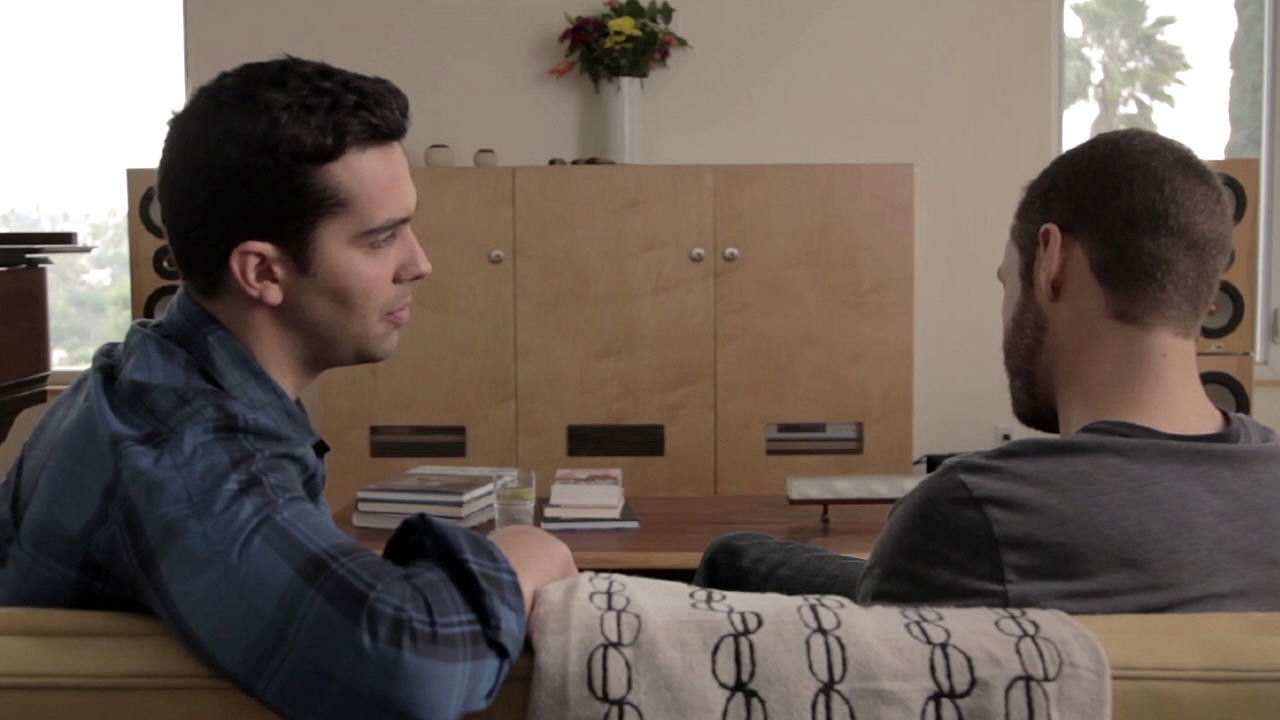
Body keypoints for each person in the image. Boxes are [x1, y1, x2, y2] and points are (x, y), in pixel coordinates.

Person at [0, 57, 577, 719]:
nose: (419, 263)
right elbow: (414, 668)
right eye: (381, 238)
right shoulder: (183, 451)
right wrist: (520, 555)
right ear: (263, 273)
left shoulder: (147, 373)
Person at [695, 128, 1280, 614]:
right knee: (743, 558)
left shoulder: (971, 511)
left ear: (1051, 260)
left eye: (1006, 283)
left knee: (731, 559)